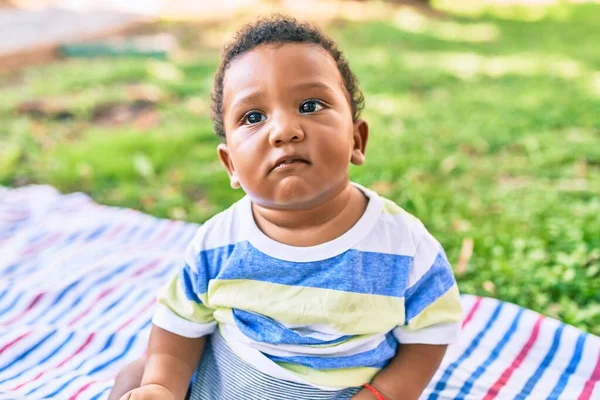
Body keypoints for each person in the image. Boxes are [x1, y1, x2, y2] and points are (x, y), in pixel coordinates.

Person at [110, 15, 462, 400]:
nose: (284, 131)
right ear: (231, 166)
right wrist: (162, 386)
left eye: (310, 105)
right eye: (254, 117)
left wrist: (383, 394)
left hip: (341, 391)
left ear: (356, 140)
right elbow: (178, 327)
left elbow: (430, 336)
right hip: (223, 383)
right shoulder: (218, 243)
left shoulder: (402, 246)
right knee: (136, 380)